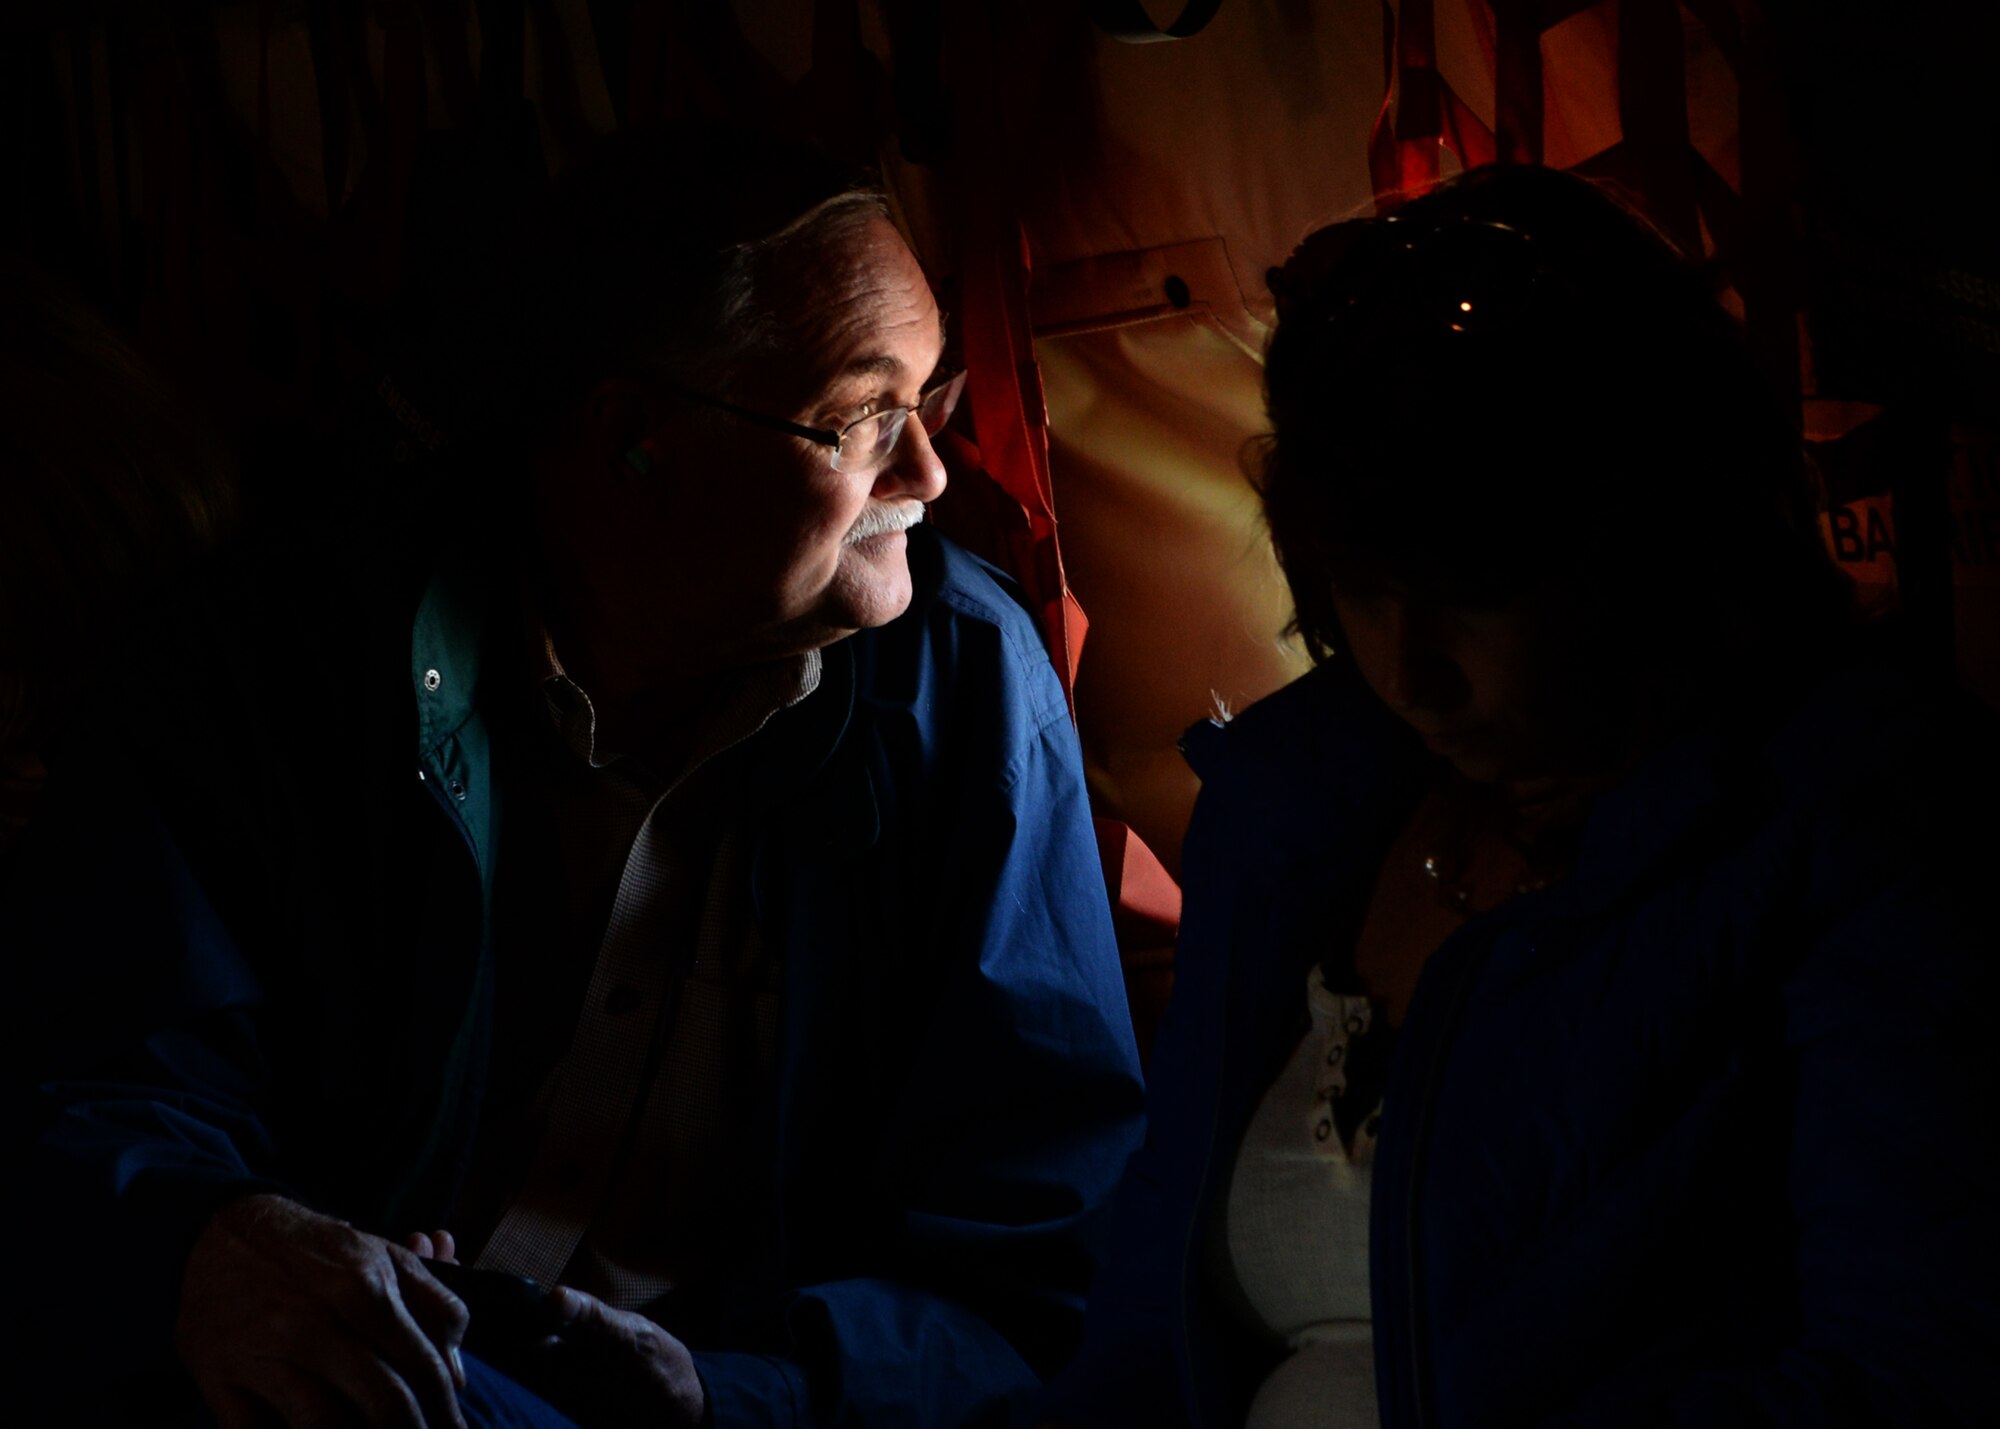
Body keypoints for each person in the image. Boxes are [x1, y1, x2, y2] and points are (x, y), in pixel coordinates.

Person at [9, 125, 1145, 1427]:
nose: (932, 476)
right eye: (864, 418)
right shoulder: (281, 663)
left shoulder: (973, 690)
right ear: (635, 442)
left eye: (928, 404)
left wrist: (734, 1396)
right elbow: (95, 1074)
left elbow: (1037, 1254)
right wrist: (203, 1239)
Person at [1045, 164, 2000, 1427]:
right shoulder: (1299, 807)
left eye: (1477, 589)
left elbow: (1914, 1375)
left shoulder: (1848, 826)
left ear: (1647, 552)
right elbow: (1137, 1349)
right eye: (1365, 591)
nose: (1413, 671)